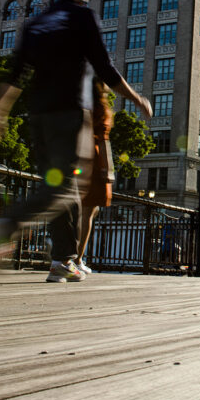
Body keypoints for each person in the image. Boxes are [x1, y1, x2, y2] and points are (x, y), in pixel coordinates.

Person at [0, 0, 152, 283]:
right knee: (64, 187)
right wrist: (136, 98)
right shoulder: (82, 17)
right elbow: (104, 66)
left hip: (38, 115)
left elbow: (15, 75)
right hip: (70, 112)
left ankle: (63, 260)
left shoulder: (36, 23)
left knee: (64, 184)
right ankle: (7, 224)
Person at [73, 80, 116, 275]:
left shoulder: (76, 105)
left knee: (79, 210)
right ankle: (77, 258)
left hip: (73, 159)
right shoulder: (99, 109)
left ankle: (66, 256)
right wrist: (108, 170)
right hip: (91, 160)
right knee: (88, 211)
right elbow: (104, 141)